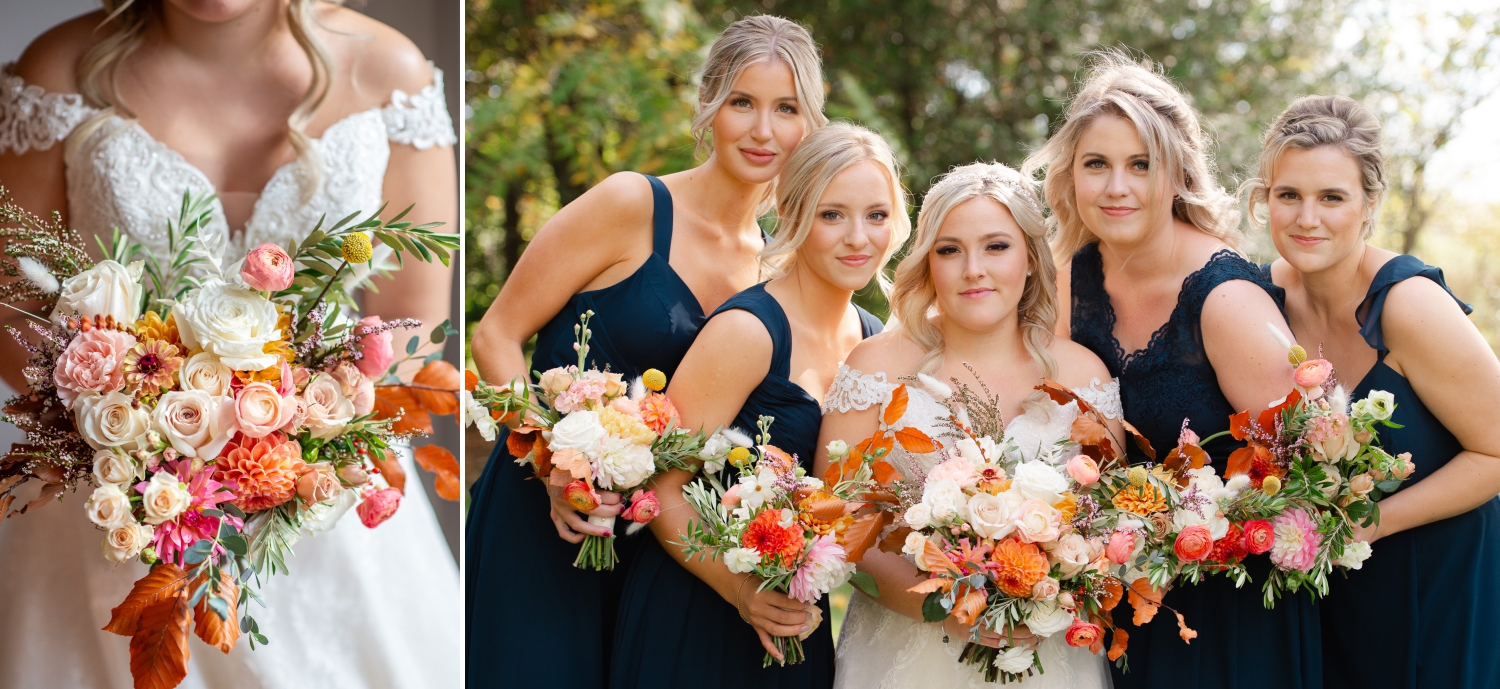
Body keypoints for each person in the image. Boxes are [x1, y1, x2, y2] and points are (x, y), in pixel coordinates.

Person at [0, 1, 459, 687]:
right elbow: (15, 310)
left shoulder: (389, 72)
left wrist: (296, 434)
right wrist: (140, 426)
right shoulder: (58, 71)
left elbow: (412, 328)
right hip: (114, 503)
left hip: (326, 502)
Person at [464, 15, 827, 688]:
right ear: (707, 104)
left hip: (656, 550)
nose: (763, 130)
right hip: (549, 522)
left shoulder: (780, 264)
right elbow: (494, 334)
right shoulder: (632, 203)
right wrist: (548, 462)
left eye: (787, 109)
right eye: (743, 102)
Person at [1022, 51, 1316, 688]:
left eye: (1140, 165)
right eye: (1096, 164)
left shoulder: (1226, 299)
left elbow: (1302, 483)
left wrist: (1188, 534)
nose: (1116, 187)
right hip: (1118, 606)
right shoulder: (1071, 282)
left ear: (1177, 172)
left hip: (1232, 613)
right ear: (1070, 174)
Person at [610, 122, 906, 689]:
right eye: (831, 214)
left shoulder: (873, 342)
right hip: (698, 613)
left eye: (875, 215)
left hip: (794, 620)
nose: (857, 237)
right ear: (794, 217)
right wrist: (743, 591)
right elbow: (659, 489)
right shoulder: (748, 330)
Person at [818, 161, 1120, 688]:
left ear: (1030, 258)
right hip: (903, 655)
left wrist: (1052, 590)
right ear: (928, 263)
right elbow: (837, 522)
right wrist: (951, 607)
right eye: (950, 249)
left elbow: (1115, 524)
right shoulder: (875, 367)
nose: (973, 268)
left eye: (996, 246)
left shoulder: (1083, 374)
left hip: (1047, 656)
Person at [1252, 95, 1500, 689]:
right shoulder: (1259, 298)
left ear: (1369, 205)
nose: (1307, 218)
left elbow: (1496, 452)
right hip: (1331, 591)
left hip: (1437, 580)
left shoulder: (1410, 305)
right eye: (1289, 196)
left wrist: (1368, 525)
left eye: (1331, 197)